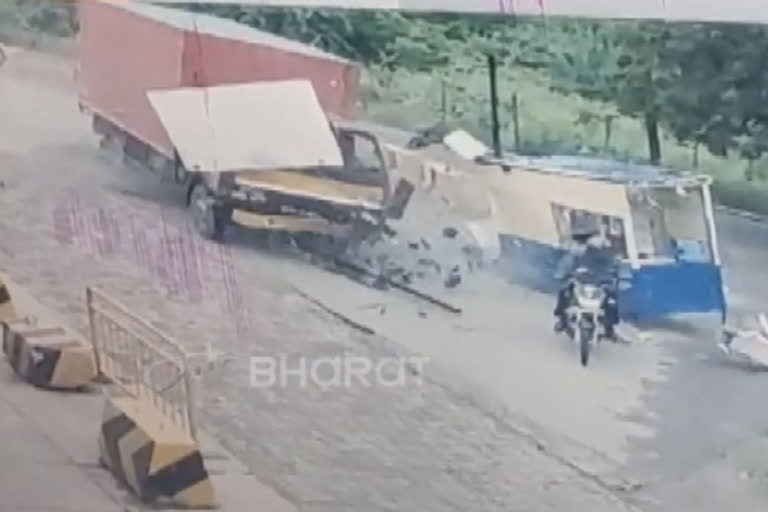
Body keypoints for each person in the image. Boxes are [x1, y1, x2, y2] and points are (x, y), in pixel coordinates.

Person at [553, 218, 620, 341]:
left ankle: (609, 329)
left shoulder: (603, 248)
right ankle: (562, 320)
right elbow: (567, 264)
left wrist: (612, 276)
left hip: (599, 281)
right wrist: (562, 274)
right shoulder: (575, 250)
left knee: (611, 298)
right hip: (581, 281)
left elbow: (612, 263)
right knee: (564, 291)